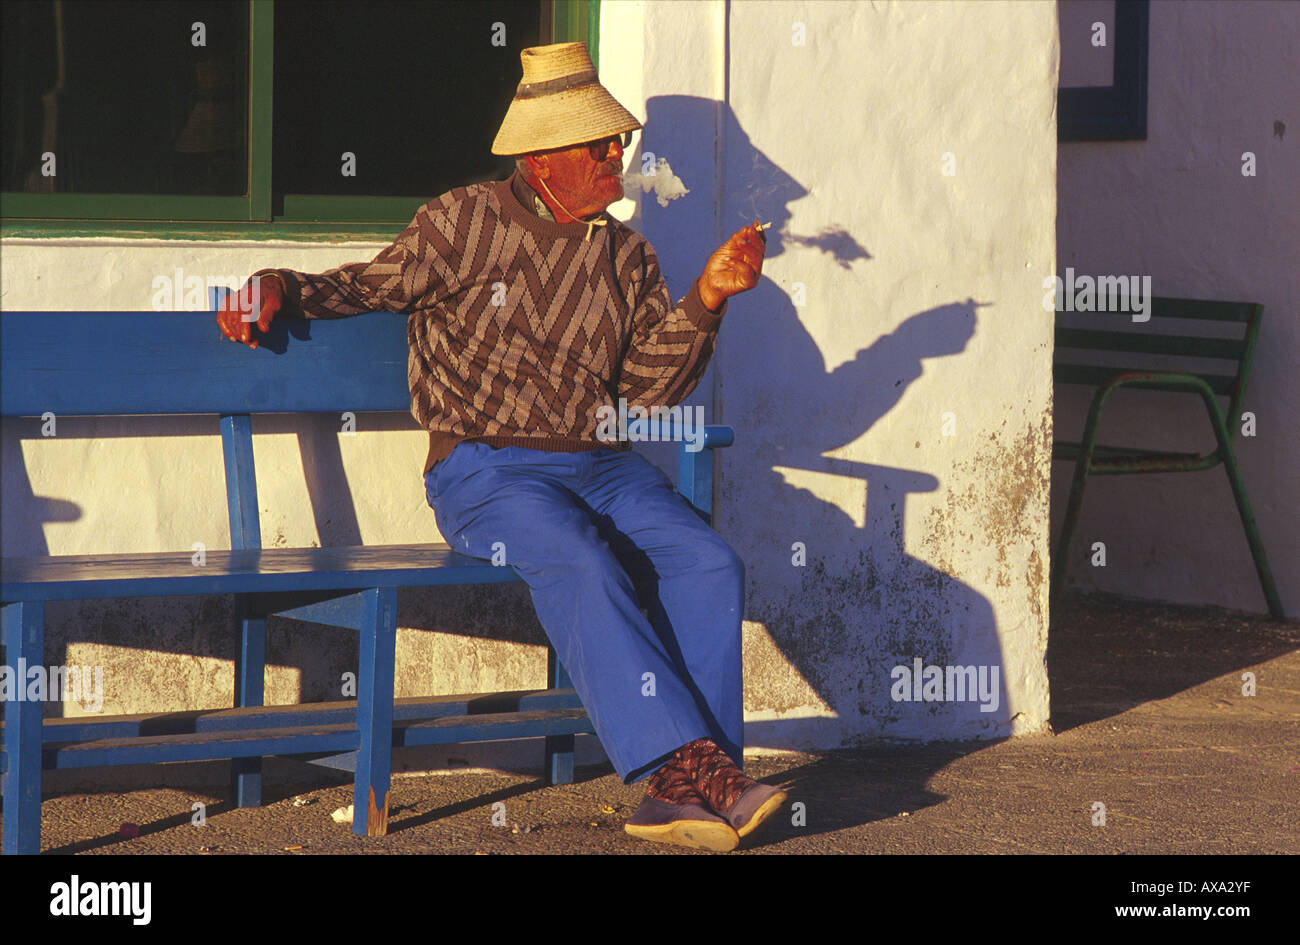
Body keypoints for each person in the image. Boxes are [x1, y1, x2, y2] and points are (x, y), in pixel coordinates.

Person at [217, 42, 782, 851]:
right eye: (600, 143)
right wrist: (280, 285)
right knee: (582, 557)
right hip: (485, 471)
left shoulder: (627, 255)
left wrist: (707, 298)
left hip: (603, 465)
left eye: (618, 140)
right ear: (544, 156)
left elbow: (651, 394)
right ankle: (680, 775)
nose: (617, 154)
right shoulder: (461, 222)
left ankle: (702, 783)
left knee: (707, 559)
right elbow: (371, 285)